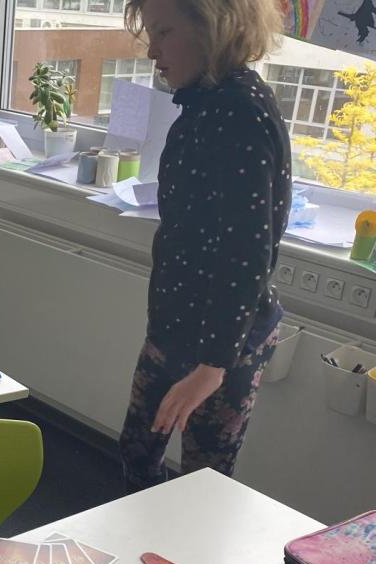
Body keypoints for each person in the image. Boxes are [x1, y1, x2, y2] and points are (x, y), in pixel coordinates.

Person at [117, 0, 290, 492]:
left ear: (214, 28)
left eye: (164, 33)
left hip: (222, 343)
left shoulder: (240, 112)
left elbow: (246, 254)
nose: (152, 51)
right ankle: (145, 536)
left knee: (204, 484)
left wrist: (213, 366)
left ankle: (175, 542)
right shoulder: (203, 102)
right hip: (175, 325)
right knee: (137, 451)